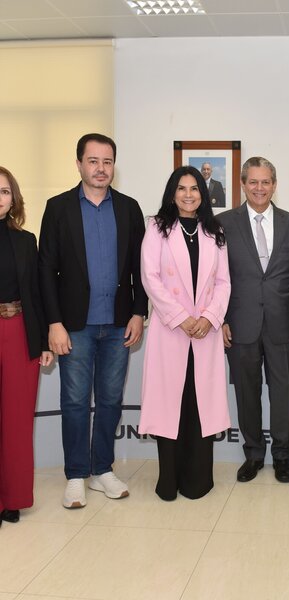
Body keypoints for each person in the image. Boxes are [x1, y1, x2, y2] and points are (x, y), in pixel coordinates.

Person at [39, 133, 148, 509]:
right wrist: (53, 322)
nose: (101, 169)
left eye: (107, 161)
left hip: (119, 323)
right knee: (73, 401)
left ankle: (102, 469)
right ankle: (75, 475)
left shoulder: (129, 208)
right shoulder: (58, 208)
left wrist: (139, 312)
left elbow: (140, 268)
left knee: (110, 400)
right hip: (75, 326)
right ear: (79, 164)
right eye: (93, 161)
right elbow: (46, 269)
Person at [139, 166, 231, 500]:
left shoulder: (215, 231)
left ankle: (197, 481)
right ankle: (169, 480)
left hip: (204, 333)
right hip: (171, 331)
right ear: (172, 193)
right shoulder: (157, 227)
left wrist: (208, 318)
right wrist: (180, 317)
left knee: (198, 404)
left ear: (203, 195)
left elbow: (223, 282)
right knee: (171, 404)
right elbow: (150, 277)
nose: (188, 194)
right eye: (182, 188)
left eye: (194, 189)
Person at [219, 157, 289, 483]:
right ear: (243, 184)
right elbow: (215, 277)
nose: (259, 188)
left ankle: (282, 456)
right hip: (240, 323)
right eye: (253, 181)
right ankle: (253, 454)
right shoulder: (223, 223)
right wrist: (222, 319)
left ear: (274, 185)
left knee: (284, 393)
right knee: (247, 393)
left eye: (266, 181)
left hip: (283, 324)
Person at [0, 167, 53, 527]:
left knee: (17, 422)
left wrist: (44, 340)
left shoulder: (25, 240)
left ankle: (14, 497)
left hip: (19, 332)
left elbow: (36, 293)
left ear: (13, 198)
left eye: (5, 191)